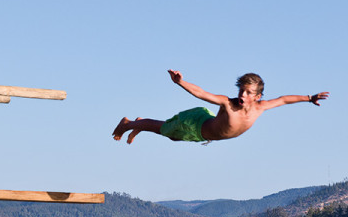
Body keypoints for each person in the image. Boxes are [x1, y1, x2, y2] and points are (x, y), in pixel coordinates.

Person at [113, 70, 328, 144]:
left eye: (248, 93)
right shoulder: (228, 103)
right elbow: (202, 93)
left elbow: (283, 99)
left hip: (203, 134)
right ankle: (130, 124)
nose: (242, 95)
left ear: (258, 96)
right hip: (195, 123)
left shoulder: (260, 107)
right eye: (241, 90)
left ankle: (139, 125)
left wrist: (309, 98)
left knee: (171, 136)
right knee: (166, 131)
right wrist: (181, 82)